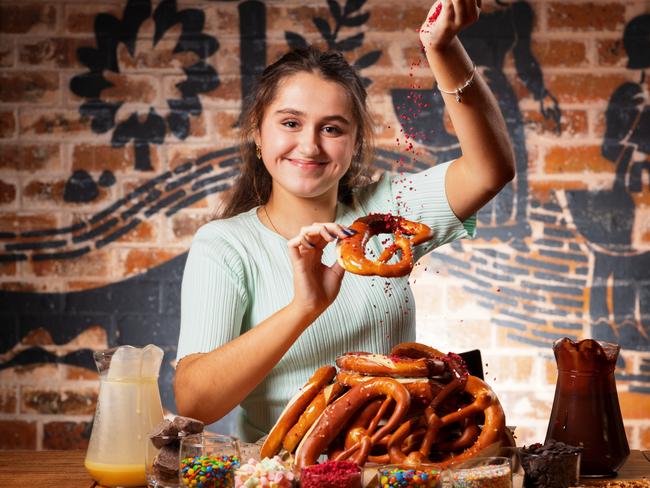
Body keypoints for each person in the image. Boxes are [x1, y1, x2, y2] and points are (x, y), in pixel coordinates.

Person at [174, 0, 515, 442]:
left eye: (332, 129)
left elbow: (491, 170)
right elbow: (195, 403)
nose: (310, 146)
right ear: (258, 133)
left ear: (355, 143)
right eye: (291, 123)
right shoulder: (226, 246)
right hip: (288, 472)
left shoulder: (387, 212)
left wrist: (443, 48)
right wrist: (305, 306)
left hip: (399, 462)